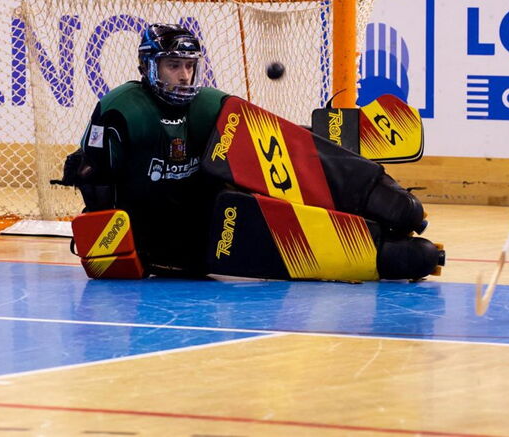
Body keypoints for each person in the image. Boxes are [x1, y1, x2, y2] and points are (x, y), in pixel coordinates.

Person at [64, 23, 443, 281]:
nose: (183, 76)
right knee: (411, 258)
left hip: (209, 204)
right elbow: (96, 186)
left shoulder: (209, 105)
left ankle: (376, 194)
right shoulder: (122, 109)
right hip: (168, 240)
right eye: (172, 66)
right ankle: (385, 256)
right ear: (149, 67)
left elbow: (269, 147)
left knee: (392, 207)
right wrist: (117, 246)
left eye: (188, 67)